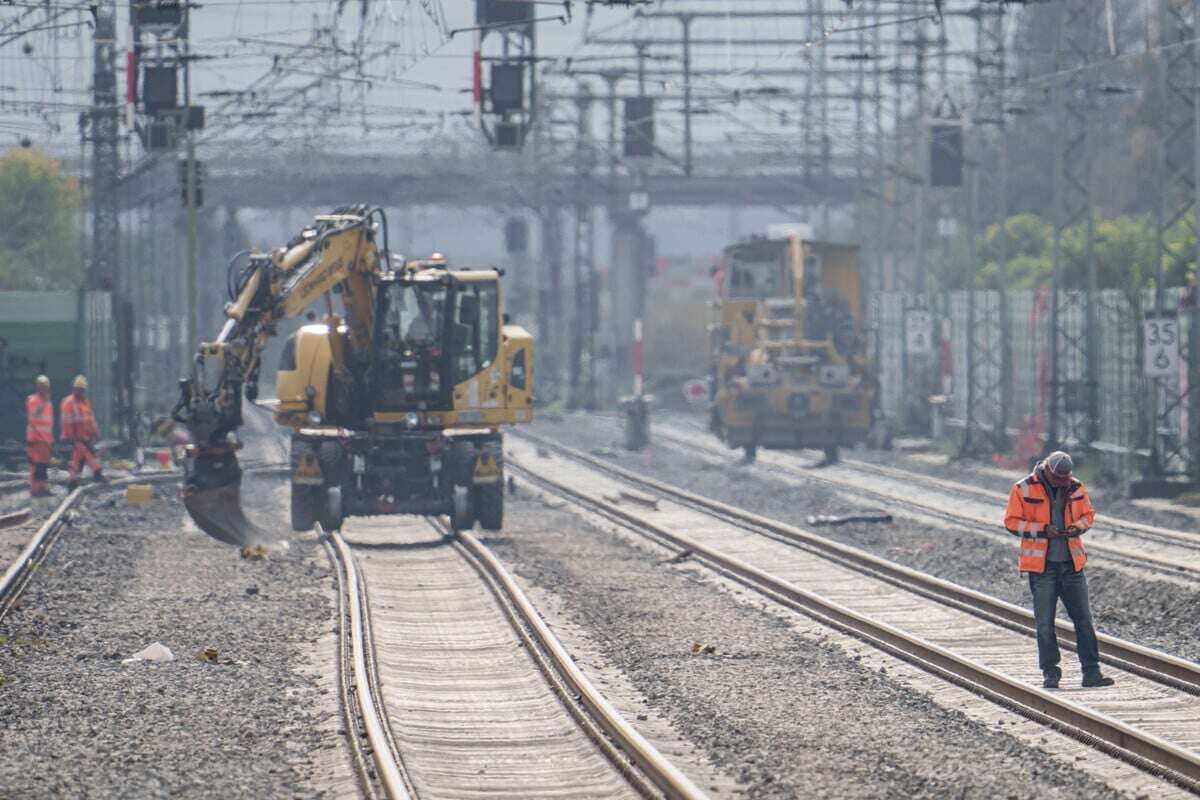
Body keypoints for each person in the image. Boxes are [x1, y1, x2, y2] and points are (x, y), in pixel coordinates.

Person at [1004, 450, 1114, 689]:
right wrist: (1043, 529)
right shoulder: (1023, 488)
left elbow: (1088, 515)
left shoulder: (1075, 487)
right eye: (1058, 479)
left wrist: (1078, 527)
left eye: (1066, 478)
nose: (1062, 483)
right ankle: (1050, 674)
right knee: (1045, 623)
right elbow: (1012, 522)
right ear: (1047, 470)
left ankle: (1091, 673)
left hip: (1072, 566)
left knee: (1084, 620)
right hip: (1042, 569)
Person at [60, 375, 103, 490]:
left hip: (86, 437)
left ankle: (72, 482)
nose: (81, 392)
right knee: (90, 455)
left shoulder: (85, 403)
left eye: (83, 390)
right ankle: (97, 474)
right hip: (76, 437)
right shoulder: (68, 402)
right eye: (79, 389)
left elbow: (90, 419)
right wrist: (71, 437)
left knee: (77, 461)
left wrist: (95, 432)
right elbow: (66, 421)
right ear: (74, 389)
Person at [25, 375, 54, 497]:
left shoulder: (48, 403)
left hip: (45, 439)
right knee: (36, 464)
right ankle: (36, 489)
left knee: (43, 464)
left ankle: (43, 487)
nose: (44, 390)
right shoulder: (33, 400)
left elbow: (49, 422)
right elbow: (34, 416)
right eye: (42, 387)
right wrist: (44, 403)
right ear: (38, 387)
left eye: (46, 387)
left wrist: (50, 438)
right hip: (36, 437)